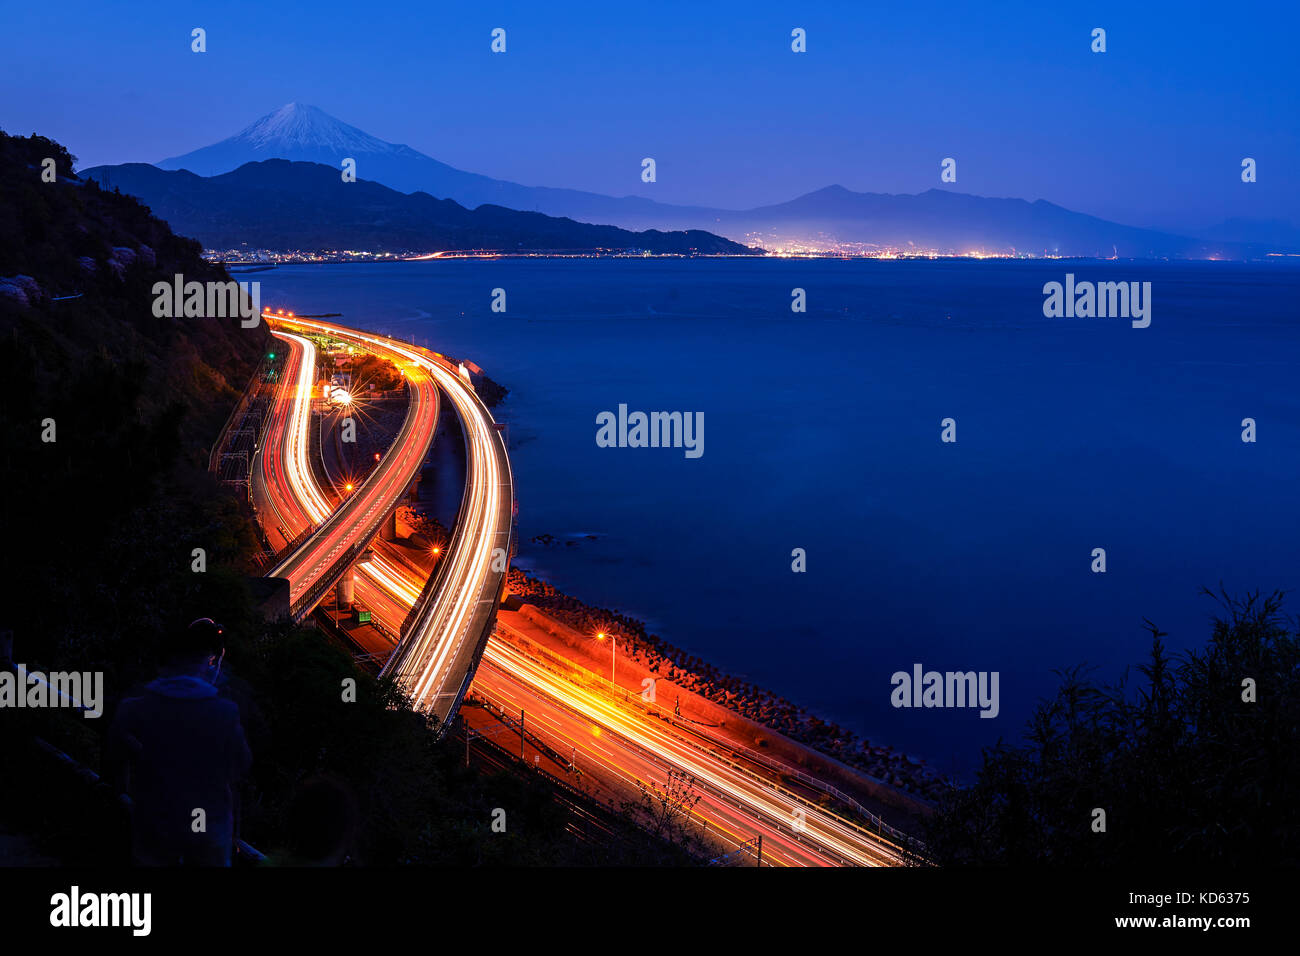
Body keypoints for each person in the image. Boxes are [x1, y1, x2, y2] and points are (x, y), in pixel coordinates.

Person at [107, 618, 252, 866]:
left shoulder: (135, 707)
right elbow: (241, 768)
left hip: (154, 826)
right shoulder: (224, 713)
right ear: (212, 662)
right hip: (209, 833)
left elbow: (114, 759)